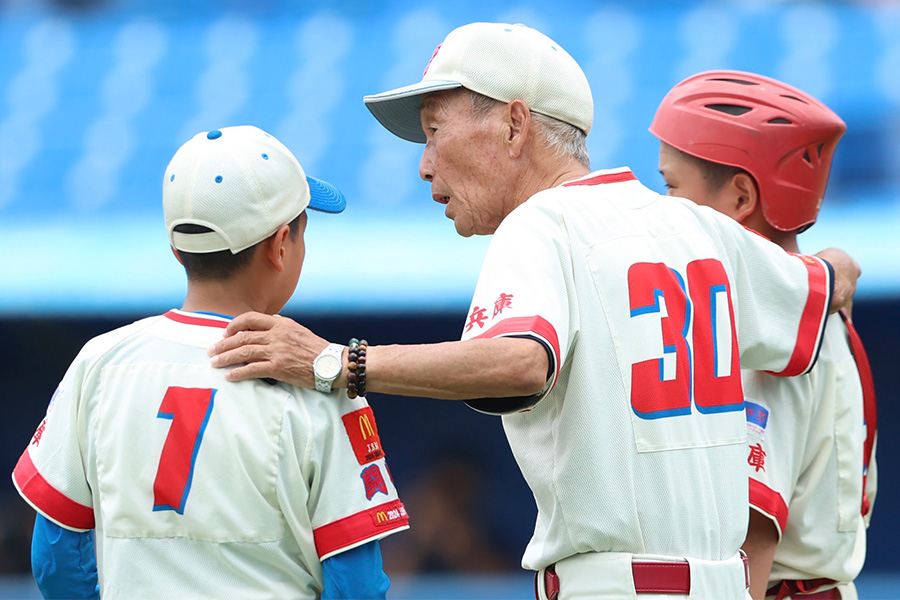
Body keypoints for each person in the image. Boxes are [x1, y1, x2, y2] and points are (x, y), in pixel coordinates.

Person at [208, 23, 861, 599]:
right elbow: (824, 283)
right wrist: (834, 263)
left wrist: (332, 363)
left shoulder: (540, 222)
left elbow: (523, 362)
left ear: (516, 125)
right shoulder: (692, 224)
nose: (424, 163)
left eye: (435, 132)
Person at [11, 125, 409, 599]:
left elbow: (56, 559)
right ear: (281, 243)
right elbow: (357, 587)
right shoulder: (319, 380)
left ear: (177, 247)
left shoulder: (99, 361)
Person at [650, 70, 877, 600]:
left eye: (671, 185)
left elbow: (746, 551)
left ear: (740, 197)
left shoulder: (767, 333)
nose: (663, 206)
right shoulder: (800, 306)